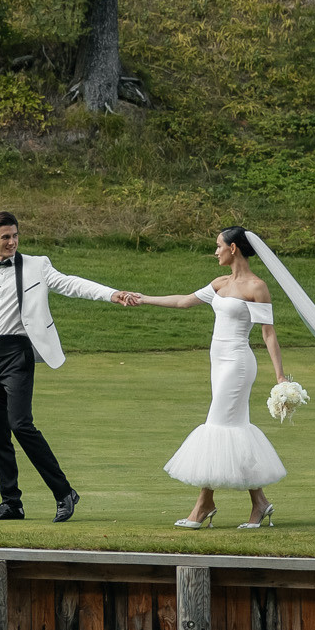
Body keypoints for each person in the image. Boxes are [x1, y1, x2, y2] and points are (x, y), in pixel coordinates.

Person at [0, 211, 132, 522]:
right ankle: (11, 503)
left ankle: (64, 492)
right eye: (5, 237)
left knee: (20, 424)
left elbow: (70, 284)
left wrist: (111, 294)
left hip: (18, 355)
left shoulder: (37, 265)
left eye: (15, 235)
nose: (12, 242)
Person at [120, 227, 294, 529]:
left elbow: (268, 333)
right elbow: (183, 302)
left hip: (238, 365)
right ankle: (259, 502)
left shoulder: (256, 287)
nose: (215, 251)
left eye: (218, 246)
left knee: (217, 425)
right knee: (234, 429)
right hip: (218, 362)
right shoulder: (219, 283)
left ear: (234, 249)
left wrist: (279, 375)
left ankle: (204, 504)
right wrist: (143, 298)